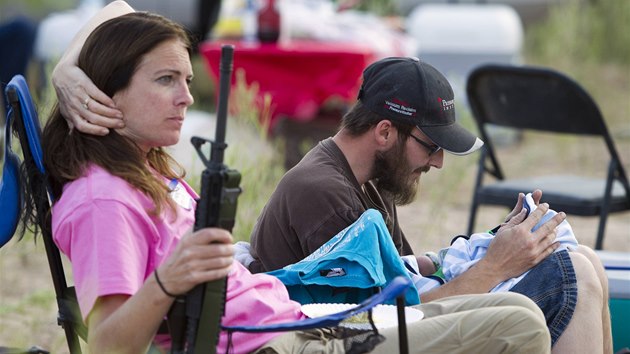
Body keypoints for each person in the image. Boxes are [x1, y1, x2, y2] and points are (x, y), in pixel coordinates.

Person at [37, 1, 555, 353]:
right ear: (109, 92)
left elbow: (119, 12)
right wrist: (168, 281)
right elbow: (105, 342)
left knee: (515, 305)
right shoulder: (104, 198)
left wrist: (67, 66)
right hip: (286, 343)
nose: (188, 98)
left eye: (188, 79)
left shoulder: (144, 170)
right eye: (166, 80)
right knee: (521, 323)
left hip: (298, 322)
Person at [239, 58, 611, 353]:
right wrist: (497, 265)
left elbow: (411, 279)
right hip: (352, 339)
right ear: (384, 132)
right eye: (431, 145)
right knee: (571, 272)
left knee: (585, 259)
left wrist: (492, 243)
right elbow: (389, 320)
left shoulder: (371, 178)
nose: (438, 162)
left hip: (379, 329)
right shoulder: (325, 195)